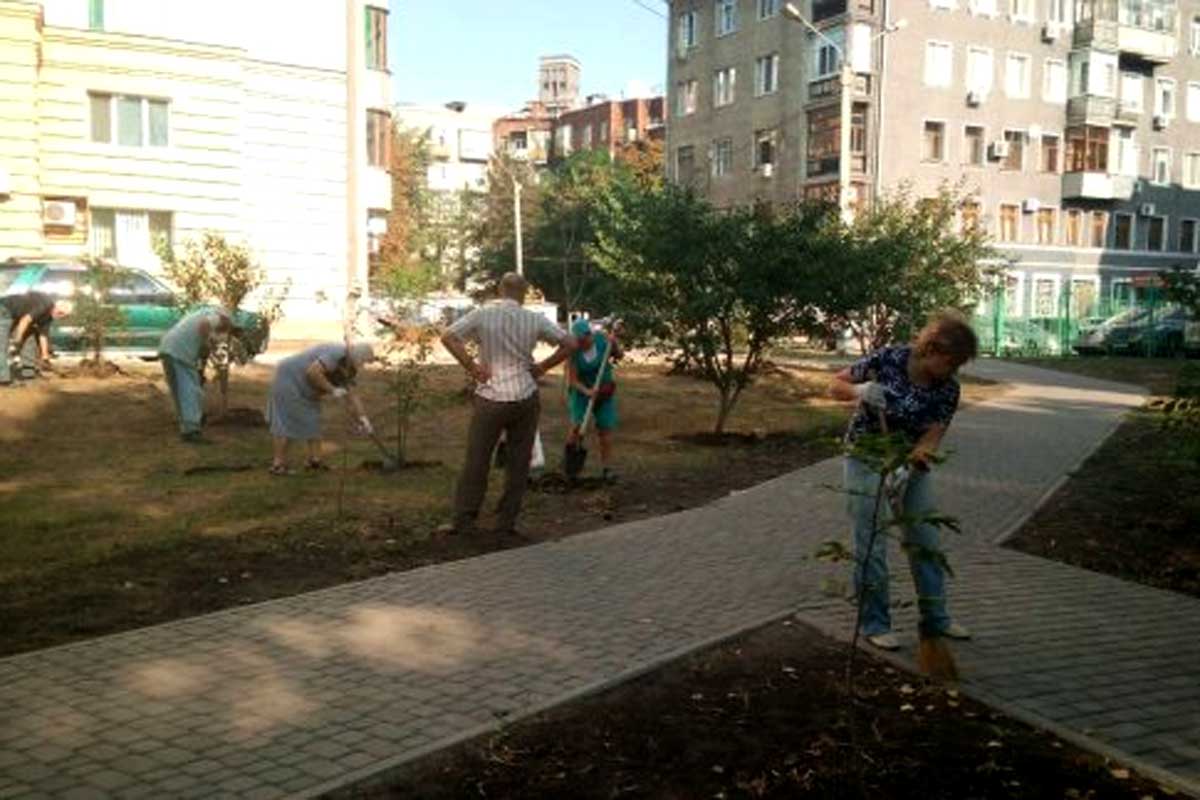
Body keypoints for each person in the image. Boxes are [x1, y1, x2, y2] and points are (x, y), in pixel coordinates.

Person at [829, 310, 979, 652]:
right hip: (866, 458)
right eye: (951, 361)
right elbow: (835, 384)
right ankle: (875, 623)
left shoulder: (948, 390)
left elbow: (933, 435)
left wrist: (908, 467)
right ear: (932, 349)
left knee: (926, 539)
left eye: (959, 364)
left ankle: (936, 618)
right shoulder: (889, 359)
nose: (954, 370)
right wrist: (860, 390)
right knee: (872, 543)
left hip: (908, 466)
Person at [440, 272, 576, 535]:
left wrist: (472, 366)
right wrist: (543, 367)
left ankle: (465, 521)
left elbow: (448, 337)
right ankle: (505, 522)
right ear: (524, 293)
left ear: (500, 289)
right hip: (525, 396)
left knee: (477, 460)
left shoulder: (482, 314)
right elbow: (570, 343)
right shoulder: (534, 319)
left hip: (491, 396)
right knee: (519, 462)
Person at [266, 342, 376, 475]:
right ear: (356, 356)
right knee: (285, 422)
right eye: (363, 361)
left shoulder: (349, 367)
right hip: (289, 380)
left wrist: (363, 418)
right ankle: (278, 464)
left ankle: (315, 461)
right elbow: (312, 372)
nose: (362, 365)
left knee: (313, 420)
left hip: (308, 390)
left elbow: (352, 395)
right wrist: (332, 390)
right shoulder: (336, 353)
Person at [158, 306, 235, 443]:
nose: (224, 330)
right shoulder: (216, 316)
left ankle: (186, 425)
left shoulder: (198, 314)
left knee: (179, 390)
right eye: (226, 327)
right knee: (191, 391)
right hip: (180, 352)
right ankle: (192, 430)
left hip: (167, 347)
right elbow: (204, 326)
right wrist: (209, 343)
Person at [565, 317, 623, 483]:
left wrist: (615, 343)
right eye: (581, 341)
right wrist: (587, 391)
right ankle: (570, 467)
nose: (586, 343)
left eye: (587, 338)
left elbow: (618, 355)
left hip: (603, 390)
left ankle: (607, 469)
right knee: (577, 427)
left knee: (605, 429)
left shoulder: (601, 339)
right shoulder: (574, 351)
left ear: (590, 334)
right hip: (582, 392)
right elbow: (573, 380)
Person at [1, 292, 72, 386]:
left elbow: (43, 336)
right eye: (60, 313)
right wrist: (16, 342)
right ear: (56, 307)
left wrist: (45, 356)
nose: (60, 316)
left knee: (30, 338)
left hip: (17, 316)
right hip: (4, 309)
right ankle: (2, 379)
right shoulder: (45, 305)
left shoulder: (49, 317)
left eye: (63, 316)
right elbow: (25, 320)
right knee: (1, 344)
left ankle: (28, 374)